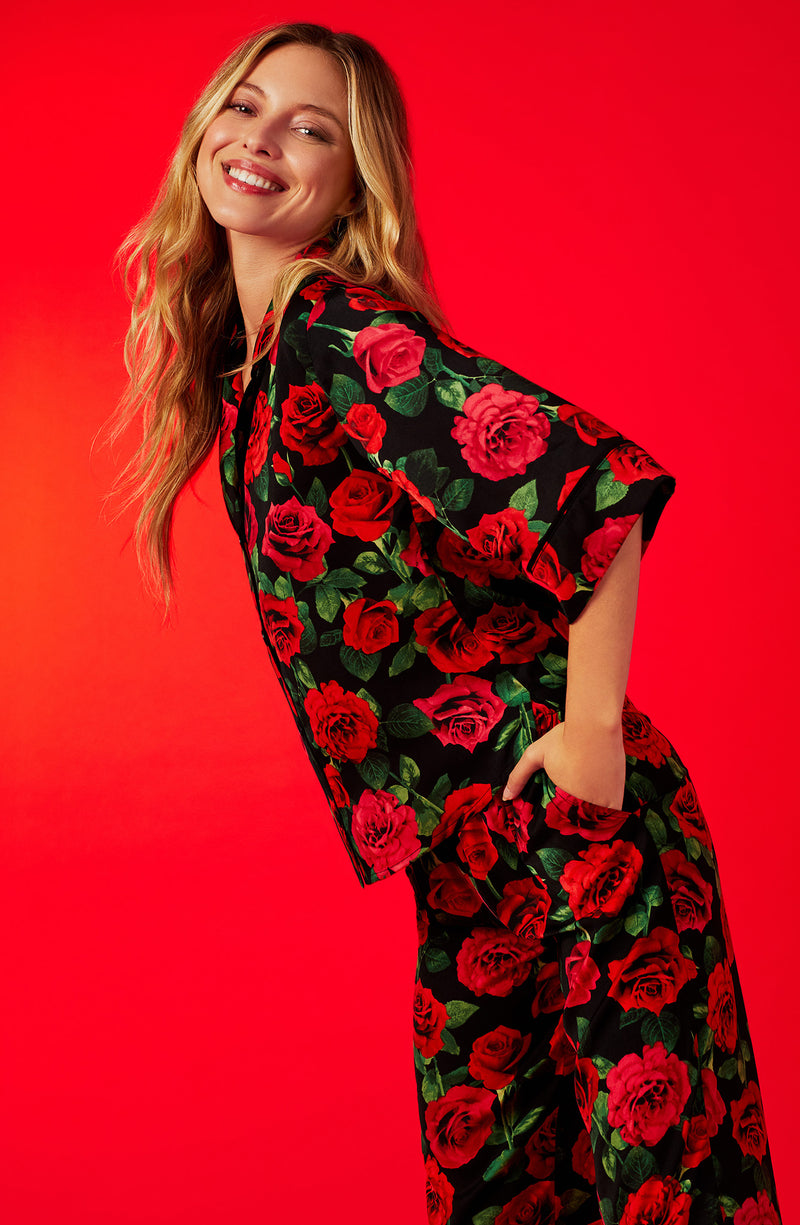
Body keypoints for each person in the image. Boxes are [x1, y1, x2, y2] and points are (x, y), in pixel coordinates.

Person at [115, 21, 781, 1225]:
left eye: (308, 127)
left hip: (570, 827)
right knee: (508, 1194)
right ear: (203, 130)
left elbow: (595, 495)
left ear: (352, 180)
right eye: (246, 107)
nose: (262, 140)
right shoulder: (258, 367)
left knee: (660, 1196)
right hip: (467, 861)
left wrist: (589, 742)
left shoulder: (336, 333)